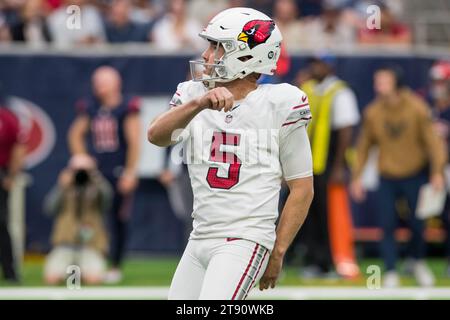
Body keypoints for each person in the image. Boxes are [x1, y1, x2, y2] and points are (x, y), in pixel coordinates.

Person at [148, 7, 314, 300]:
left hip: (245, 239)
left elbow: (302, 187)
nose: (207, 55)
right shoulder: (193, 95)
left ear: (246, 55)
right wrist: (198, 104)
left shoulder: (278, 104)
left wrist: (277, 252)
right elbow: (156, 137)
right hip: (199, 236)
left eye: (217, 46)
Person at [350, 66, 447, 287]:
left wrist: (437, 172)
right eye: (377, 81)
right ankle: (391, 270)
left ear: (396, 82)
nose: (378, 85)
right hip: (387, 176)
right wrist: (356, 177)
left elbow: (434, 143)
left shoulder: (417, 108)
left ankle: (417, 262)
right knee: (386, 224)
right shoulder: (373, 111)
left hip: (415, 174)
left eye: (383, 81)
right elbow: (364, 146)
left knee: (417, 223)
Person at [68, 66, 141, 284]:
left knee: (118, 219)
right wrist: (82, 158)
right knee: (89, 218)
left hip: (117, 171)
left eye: (103, 81)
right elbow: (75, 135)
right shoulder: (90, 107)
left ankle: (115, 265)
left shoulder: (127, 107)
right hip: (96, 174)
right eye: (96, 81)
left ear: (116, 83)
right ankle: (89, 260)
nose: (98, 86)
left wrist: (130, 171)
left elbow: (134, 141)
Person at [297, 54, 360, 278]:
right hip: (310, 164)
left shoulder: (341, 92)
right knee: (310, 215)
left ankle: (335, 262)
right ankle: (316, 262)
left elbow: (345, 131)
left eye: (318, 64)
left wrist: (338, 167)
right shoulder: (310, 88)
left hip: (329, 163)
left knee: (329, 217)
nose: (314, 68)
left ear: (329, 66)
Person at [43, 154, 112, 285]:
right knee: (52, 279)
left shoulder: (97, 188)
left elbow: (107, 202)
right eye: (76, 170)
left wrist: (97, 179)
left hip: (90, 245)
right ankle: (73, 272)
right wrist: (61, 186)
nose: (80, 174)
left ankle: (79, 272)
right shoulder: (64, 188)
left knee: (94, 280)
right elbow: (49, 209)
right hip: (65, 245)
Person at [0, 90, 27, 283]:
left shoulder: (7, 118)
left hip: (1, 173)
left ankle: (10, 271)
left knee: (2, 223)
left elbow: (19, 147)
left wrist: (11, 175)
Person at [428, 60, 450, 277]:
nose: (438, 86)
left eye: (442, 82)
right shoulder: (431, 106)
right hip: (438, 168)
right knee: (442, 216)